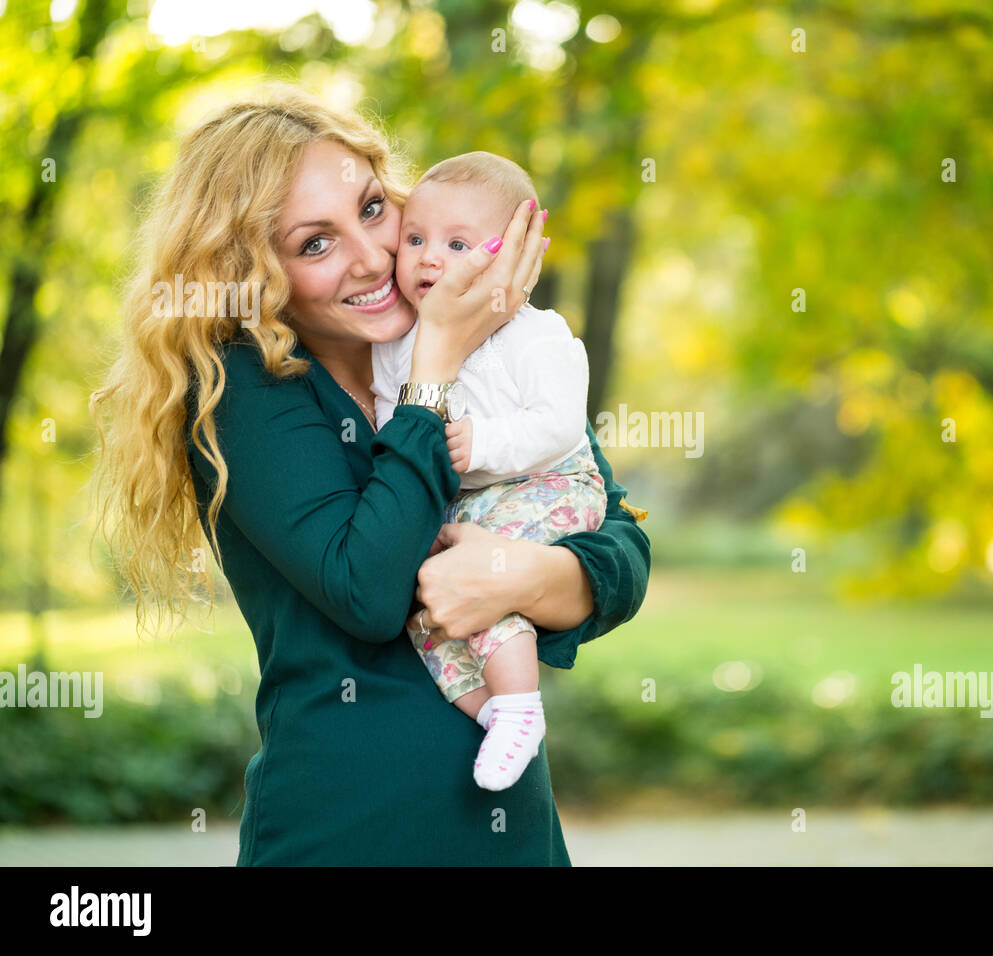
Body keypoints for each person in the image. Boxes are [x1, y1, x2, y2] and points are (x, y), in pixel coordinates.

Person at [88, 85, 651, 865]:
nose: (372, 256)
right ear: (257, 274)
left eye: (374, 209)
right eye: (315, 244)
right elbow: (368, 589)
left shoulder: (485, 337)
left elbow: (618, 543)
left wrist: (519, 574)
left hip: (510, 836)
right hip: (345, 833)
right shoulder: (244, 389)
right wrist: (433, 373)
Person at [372, 151, 607, 792]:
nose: (427, 258)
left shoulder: (536, 335)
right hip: (470, 509)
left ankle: (522, 702)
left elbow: (560, 426)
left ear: (512, 255)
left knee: (484, 580)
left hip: (548, 487)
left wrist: (481, 443)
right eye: (414, 239)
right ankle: (495, 714)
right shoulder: (397, 347)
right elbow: (389, 424)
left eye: (456, 244)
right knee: (429, 614)